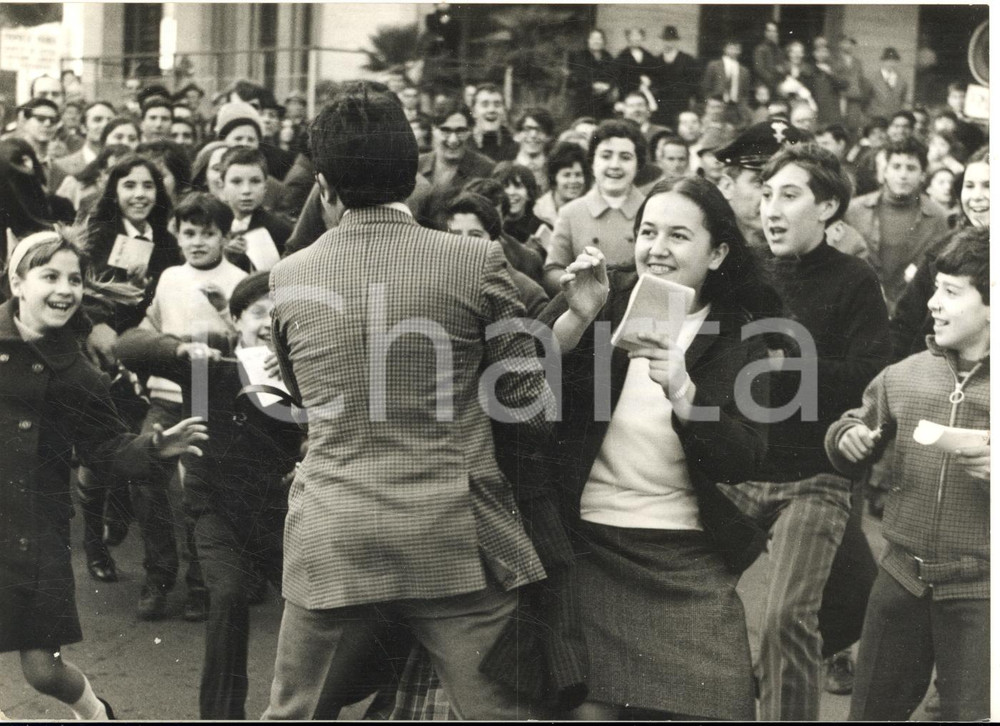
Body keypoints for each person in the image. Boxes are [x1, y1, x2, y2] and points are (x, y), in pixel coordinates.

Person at [262, 80, 555, 720]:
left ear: (325, 188)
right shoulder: (474, 260)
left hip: (336, 528)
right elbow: (531, 408)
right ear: (411, 173)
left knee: (294, 713)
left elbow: (297, 395)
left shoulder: (290, 276)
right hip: (451, 530)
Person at [540, 175, 780, 719]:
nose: (658, 248)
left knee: (721, 706)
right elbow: (518, 384)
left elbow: (742, 457)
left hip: (684, 552)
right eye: (648, 232)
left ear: (717, 252)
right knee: (588, 711)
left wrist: (684, 391)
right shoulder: (600, 297)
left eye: (678, 235)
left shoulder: (739, 336)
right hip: (588, 543)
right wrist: (575, 318)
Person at [0, 229, 205, 721]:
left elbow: (107, 448)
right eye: (49, 275)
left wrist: (152, 447)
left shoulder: (80, 374)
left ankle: (95, 713)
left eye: (74, 279)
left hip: (37, 529)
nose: (64, 289)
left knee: (43, 672)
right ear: (17, 281)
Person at [722, 143, 891, 721]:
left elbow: (872, 379)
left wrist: (790, 364)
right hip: (738, 472)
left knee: (782, 618)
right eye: (766, 194)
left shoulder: (854, 280)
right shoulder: (741, 270)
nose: (771, 208)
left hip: (814, 477)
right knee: (686, 601)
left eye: (789, 196)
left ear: (827, 209)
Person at [826, 226, 989, 721]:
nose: (933, 303)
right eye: (934, 288)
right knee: (872, 713)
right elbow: (853, 423)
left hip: (983, 593)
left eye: (951, 292)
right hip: (899, 581)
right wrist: (846, 438)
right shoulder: (906, 374)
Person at [890, 149, 988, 361]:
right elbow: (905, 324)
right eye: (969, 186)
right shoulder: (942, 251)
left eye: (989, 186)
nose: (976, 196)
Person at [844, 138, 951, 316]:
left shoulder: (937, 217)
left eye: (911, 168)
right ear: (884, 171)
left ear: (923, 175)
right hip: (860, 309)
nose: (903, 175)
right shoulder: (854, 210)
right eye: (896, 166)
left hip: (911, 314)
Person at [542, 120, 647, 296]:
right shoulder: (571, 212)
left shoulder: (651, 211)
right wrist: (579, 285)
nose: (614, 165)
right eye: (606, 156)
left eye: (625, 157)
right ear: (592, 162)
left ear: (639, 164)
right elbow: (552, 270)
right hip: (589, 315)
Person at [444, 193, 549, 318]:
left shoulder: (527, 292)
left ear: (495, 241)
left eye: (475, 235)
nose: (465, 243)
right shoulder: (438, 281)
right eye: (456, 235)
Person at [416, 100, 495, 226]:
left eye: (460, 131)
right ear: (433, 129)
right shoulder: (416, 166)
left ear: (469, 131)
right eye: (446, 130)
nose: (453, 140)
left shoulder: (486, 169)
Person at [218, 146, 293, 270]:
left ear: (265, 186)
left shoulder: (279, 230)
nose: (246, 190)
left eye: (255, 181)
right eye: (236, 182)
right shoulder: (214, 223)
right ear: (222, 186)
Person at [49, 101, 116, 194]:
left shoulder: (122, 164)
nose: (105, 125)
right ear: (83, 127)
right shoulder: (62, 166)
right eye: (97, 120)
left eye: (110, 121)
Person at [532, 141, 590, 232]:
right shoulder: (538, 211)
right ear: (554, 177)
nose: (573, 181)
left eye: (578, 175)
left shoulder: (590, 209)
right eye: (567, 175)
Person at [651, 25, 700, 129]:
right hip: (661, 105)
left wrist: (689, 98)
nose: (668, 43)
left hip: (680, 103)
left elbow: (693, 83)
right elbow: (653, 83)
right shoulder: (656, 60)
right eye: (665, 40)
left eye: (671, 40)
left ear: (676, 42)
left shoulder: (687, 60)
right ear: (662, 41)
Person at [565, 29, 619, 120]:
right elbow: (577, 76)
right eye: (593, 38)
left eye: (599, 38)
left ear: (603, 41)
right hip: (584, 99)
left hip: (604, 101)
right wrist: (593, 85)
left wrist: (608, 86)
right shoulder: (580, 56)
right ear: (588, 40)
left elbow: (614, 75)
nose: (597, 41)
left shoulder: (608, 57)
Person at [701, 39, 752, 126]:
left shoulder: (744, 71)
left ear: (740, 51)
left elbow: (745, 92)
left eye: (736, 48)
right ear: (725, 49)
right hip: (717, 105)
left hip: (735, 107)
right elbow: (706, 87)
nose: (733, 51)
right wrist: (710, 102)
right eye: (730, 48)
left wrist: (742, 106)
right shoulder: (714, 65)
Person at [491, 162, 542, 245]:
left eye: (518, 186)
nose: (511, 192)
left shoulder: (540, 229)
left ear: (529, 194)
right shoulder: (489, 228)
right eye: (505, 186)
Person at [467, 84, 517, 162]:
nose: (491, 110)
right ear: (473, 112)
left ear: (504, 111)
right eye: (485, 105)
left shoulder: (515, 149)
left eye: (497, 105)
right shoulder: (463, 147)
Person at [510, 108, 554, 193]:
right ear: (516, 135)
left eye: (540, 130)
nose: (533, 135)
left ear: (548, 137)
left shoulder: (554, 171)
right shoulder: (506, 170)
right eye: (527, 129)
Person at [614, 28, 659, 101]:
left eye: (638, 35)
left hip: (646, 94)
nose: (635, 38)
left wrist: (649, 81)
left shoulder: (649, 56)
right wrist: (638, 80)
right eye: (633, 36)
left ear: (642, 38)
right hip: (627, 94)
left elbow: (655, 74)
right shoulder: (622, 56)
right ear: (628, 38)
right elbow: (619, 77)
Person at [868, 47, 909, 120]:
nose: (891, 64)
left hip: (894, 118)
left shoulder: (902, 81)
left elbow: (902, 99)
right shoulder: (872, 79)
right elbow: (865, 100)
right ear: (883, 61)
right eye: (888, 60)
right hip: (876, 118)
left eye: (894, 61)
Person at [753, 21, 784, 93]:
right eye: (769, 31)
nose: (772, 34)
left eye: (774, 31)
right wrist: (774, 81)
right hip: (764, 85)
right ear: (765, 33)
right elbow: (759, 69)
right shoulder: (760, 49)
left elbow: (781, 67)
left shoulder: (779, 50)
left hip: (777, 86)